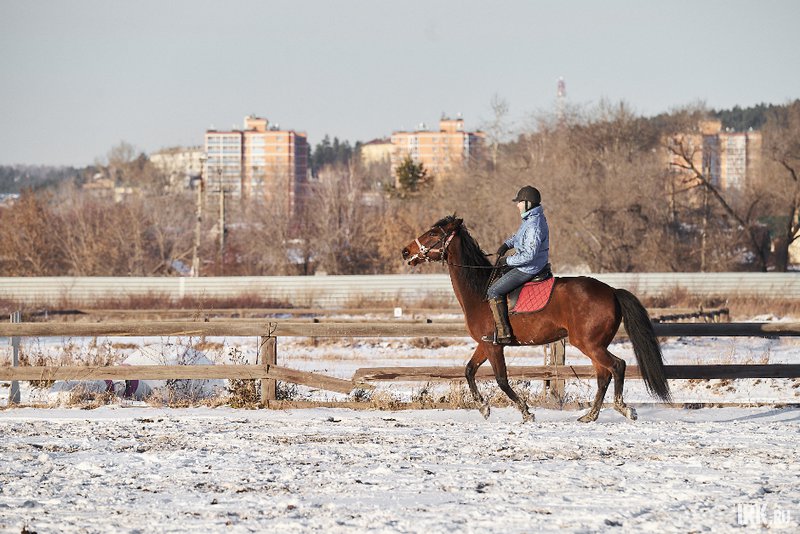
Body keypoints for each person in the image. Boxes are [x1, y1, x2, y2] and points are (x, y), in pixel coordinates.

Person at [482, 186, 550, 344]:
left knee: (494, 290)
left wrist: (507, 260)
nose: (517, 205)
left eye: (519, 202)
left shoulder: (534, 225)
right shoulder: (530, 219)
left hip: (529, 267)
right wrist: (506, 245)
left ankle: (503, 333)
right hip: (527, 263)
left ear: (527, 203)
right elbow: (519, 237)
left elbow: (529, 255)